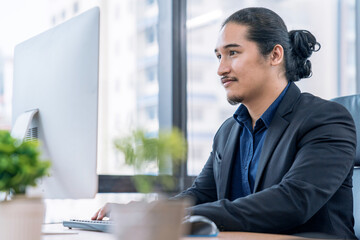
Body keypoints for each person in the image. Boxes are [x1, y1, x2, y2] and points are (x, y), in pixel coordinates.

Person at [93, 7, 357, 239]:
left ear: (275, 55)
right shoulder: (229, 131)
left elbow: (293, 201)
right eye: (219, 56)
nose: (221, 69)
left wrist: (177, 217)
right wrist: (146, 212)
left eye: (233, 53)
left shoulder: (326, 119)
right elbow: (202, 193)